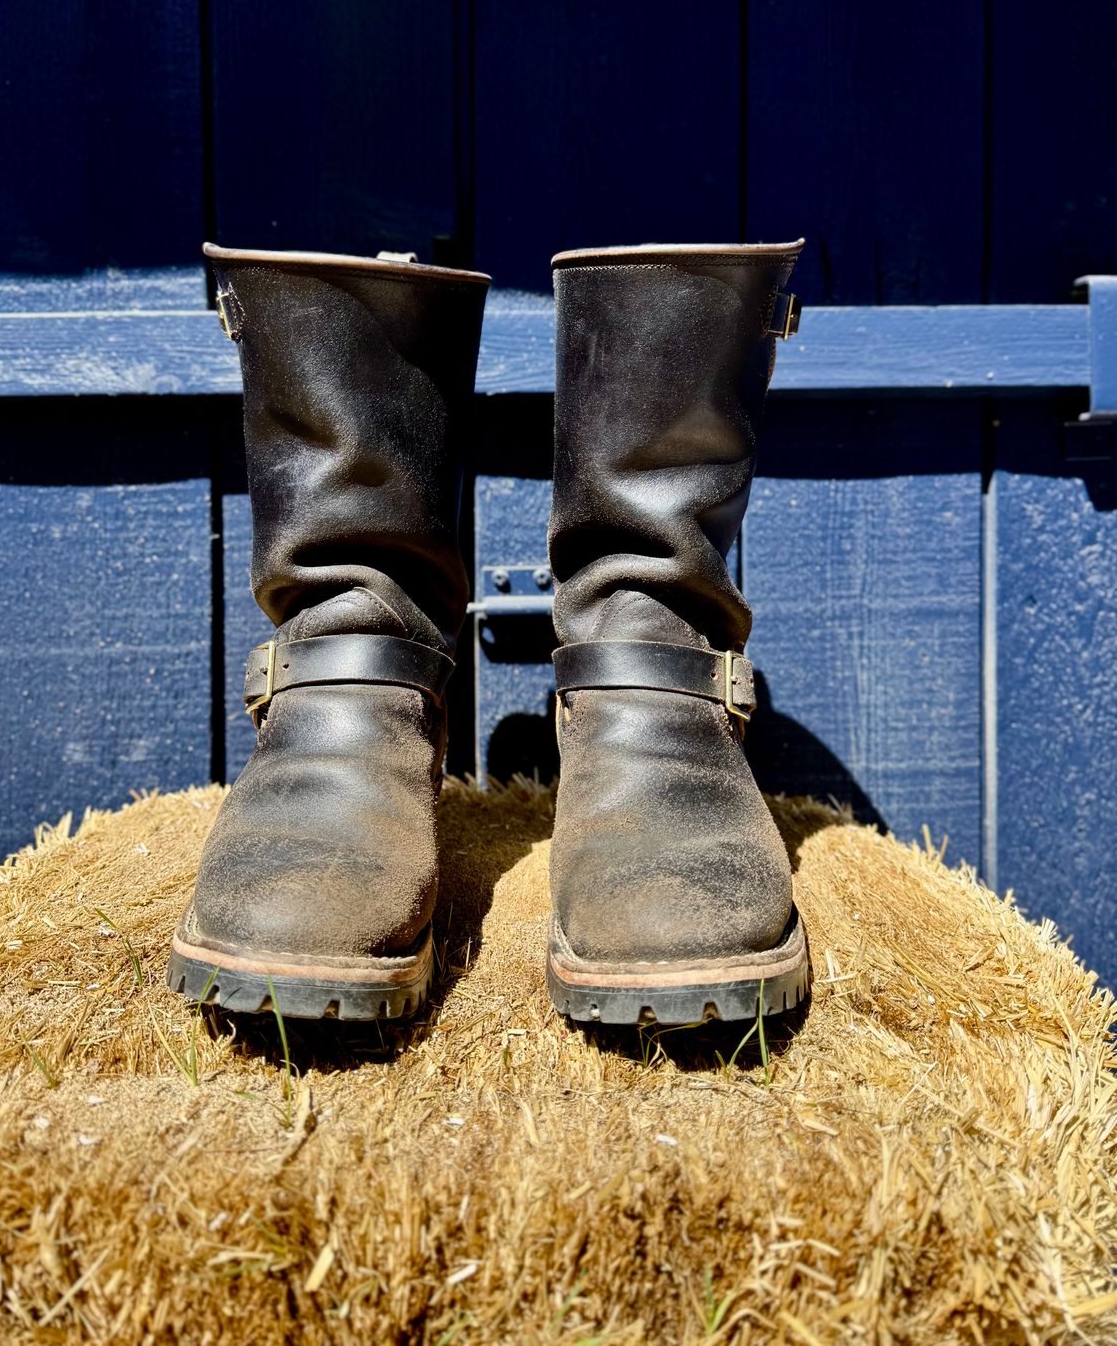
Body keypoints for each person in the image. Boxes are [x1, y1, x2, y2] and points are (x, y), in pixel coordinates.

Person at [168, 241, 807, 1025]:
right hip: (340, 705)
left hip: (666, 713)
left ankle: (639, 719)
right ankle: (361, 711)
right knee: (353, 580)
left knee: (650, 582)